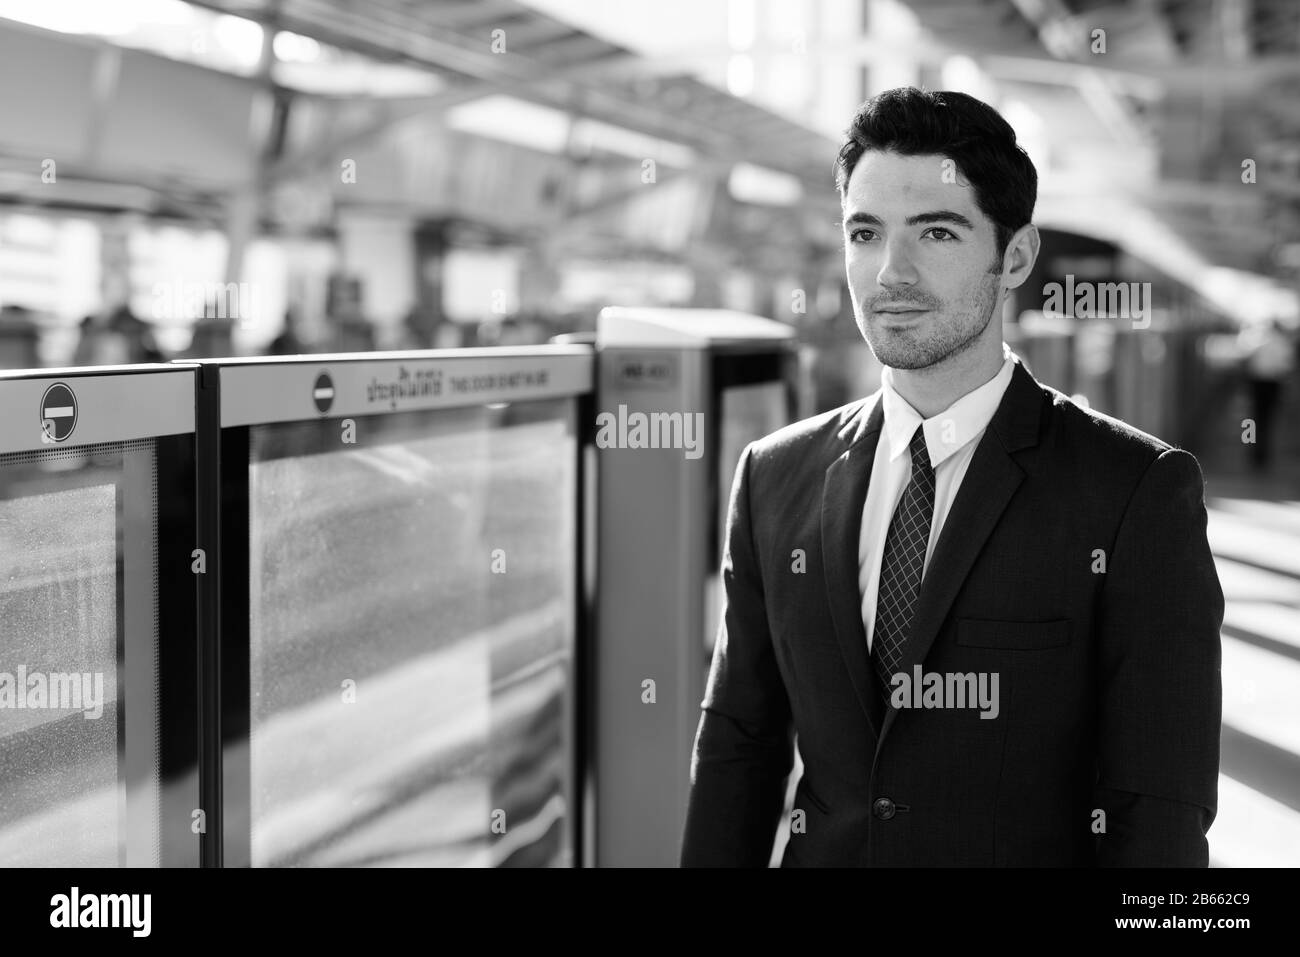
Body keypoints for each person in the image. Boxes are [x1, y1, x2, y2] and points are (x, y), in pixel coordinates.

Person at [681, 88, 1223, 867]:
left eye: (936, 231)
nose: (890, 271)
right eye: (865, 232)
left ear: (1016, 257)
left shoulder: (1134, 493)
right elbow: (739, 747)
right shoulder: (774, 477)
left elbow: (1157, 811)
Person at [1238, 317, 1295, 471]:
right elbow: (1287, 366)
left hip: (1257, 383)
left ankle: (1252, 446)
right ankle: (1264, 452)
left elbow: (1247, 359)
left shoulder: (1258, 340)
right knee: (1269, 418)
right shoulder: (1283, 343)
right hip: (1274, 384)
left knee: (1254, 417)